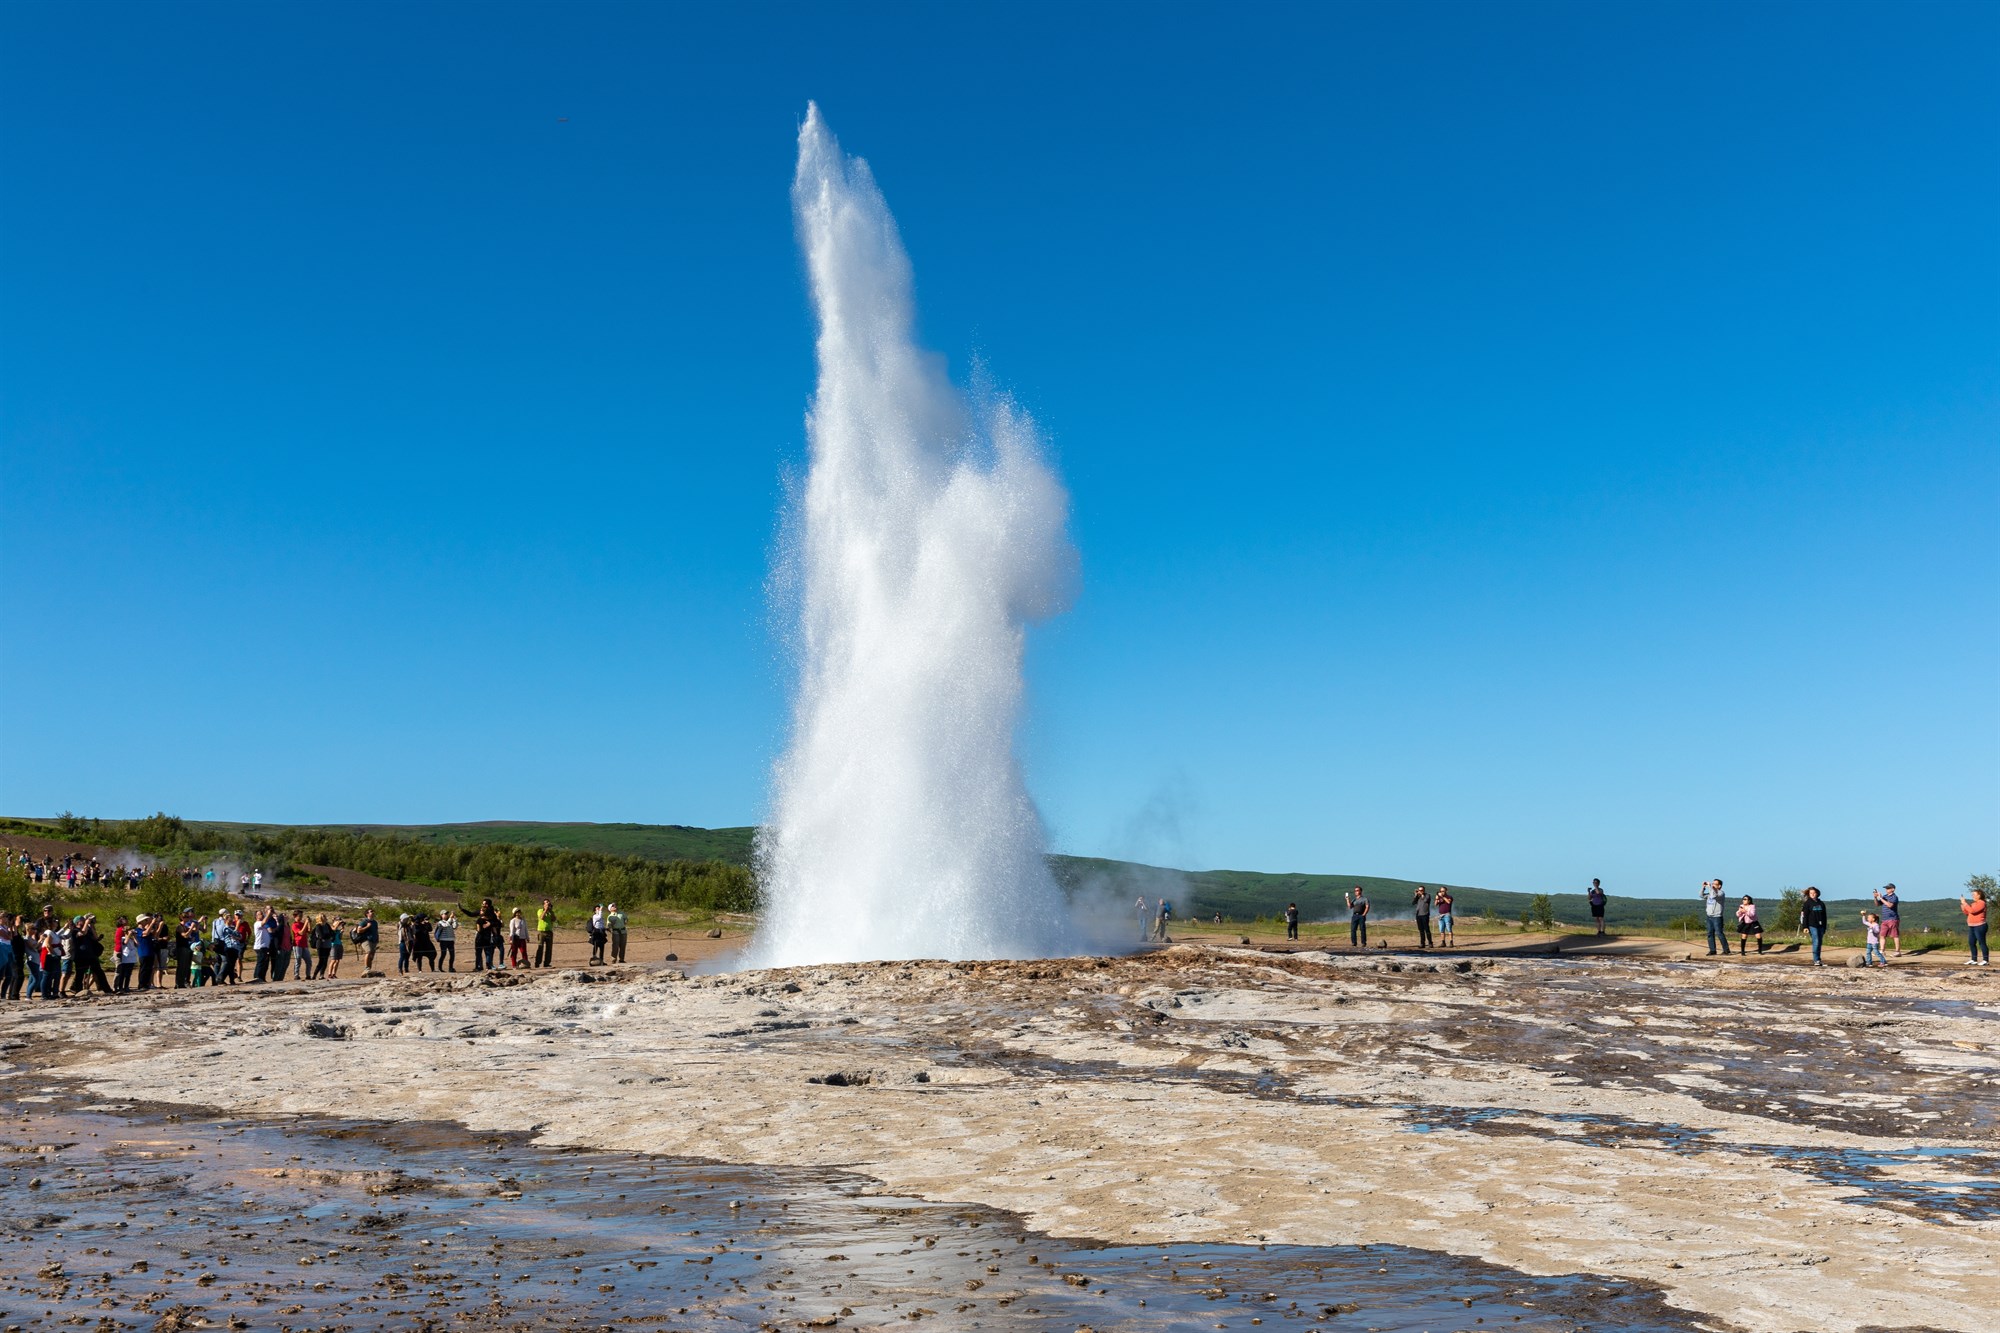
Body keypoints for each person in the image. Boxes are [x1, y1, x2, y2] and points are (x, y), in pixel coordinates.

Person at [1800, 886, 1830, 966]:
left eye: (1814, 893)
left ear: (1817, 893)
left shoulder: (1821, 903)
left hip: (1821, 925)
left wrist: (1824, 927)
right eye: (1811, 893)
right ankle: (1816, 960)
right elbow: (1804, 916)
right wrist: (1805, 927)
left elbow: (1824, 916)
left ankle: (1818, 960)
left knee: (1819, 942)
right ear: (1809, 894)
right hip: (1812, 925)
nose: (1812, 894)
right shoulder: (1807, 903)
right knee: (1816, 941)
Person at [1960, 887, 1990, 965]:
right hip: (1972, 926)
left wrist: (1965, 904)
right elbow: (1968, 913)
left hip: (1980, 926)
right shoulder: (1973, 904)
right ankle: (1974, 959)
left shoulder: (1981, 903)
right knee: (1971, 942)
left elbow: (1973, 911)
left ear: (1979, 895)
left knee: (1981, 942)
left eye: (1974, 894)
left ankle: (1985, 960)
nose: (1972, 896)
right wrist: (1963, 906)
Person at [1873, 884, 1902, 959]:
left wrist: (1881, 898)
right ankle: (1882, 951)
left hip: (1893, 919)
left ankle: (1897, 951)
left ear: (1893, 889)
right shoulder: (1885, 896)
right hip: (1884, 919)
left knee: (1895, 935)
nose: (1887, 889)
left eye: (1888, 888)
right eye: (1886, 888)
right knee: (1882, 935)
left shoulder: (1894, 897)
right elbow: (1877, 904)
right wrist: (1875, 897)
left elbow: (1890, 905)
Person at [1701, 880, 1728, 956]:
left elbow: (1714, 896)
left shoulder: (1721, 893)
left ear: (1719, 886)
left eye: (1714, 884)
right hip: (1709, 916)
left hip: (1717, 917)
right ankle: (1712, 950)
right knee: (1710, 934)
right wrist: (1703, 887)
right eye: (1712, 884)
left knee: (1719, 933)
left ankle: (1726, 950)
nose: (1713, 885)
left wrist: (1710, 887)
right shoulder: (1710, 893)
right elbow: (1701, 895)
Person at [475, 899, 502, 971]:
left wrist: (479, 928)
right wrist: (496, 936)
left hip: (480, 938)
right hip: (487, 938)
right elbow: (495, 930)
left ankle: (479, 966)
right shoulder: (490, 921)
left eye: (481, 911)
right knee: (487, 953)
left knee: (479, 953)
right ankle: (488, 966)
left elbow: (479, 930)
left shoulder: (479, 920)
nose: (480, 912)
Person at [355, 907, 379, 972]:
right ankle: (366, 967)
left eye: (373, 911)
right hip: (366, 940)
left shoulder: (375, 922)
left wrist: (377, 940)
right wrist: (367, 926)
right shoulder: (364, 921)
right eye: (371, 911)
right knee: (368, 951)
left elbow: (376, 931)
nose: (373, 912)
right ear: (367, 914)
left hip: (373, 940)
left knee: (371, 956)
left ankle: (369, 970)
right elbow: (358, 930)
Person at [535, 899, 556, 968]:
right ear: (543, 904)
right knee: (540, 947)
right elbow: (541, 917)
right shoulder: (540, 911)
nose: (548, 904)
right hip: (541, 931)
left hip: (549, 931)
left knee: (549, 948)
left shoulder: (550, 912)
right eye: (546, 903)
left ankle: (547, 963)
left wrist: (551, 911)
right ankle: (537, 963)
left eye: (548, 903)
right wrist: (545, 910)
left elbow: (554, 919)